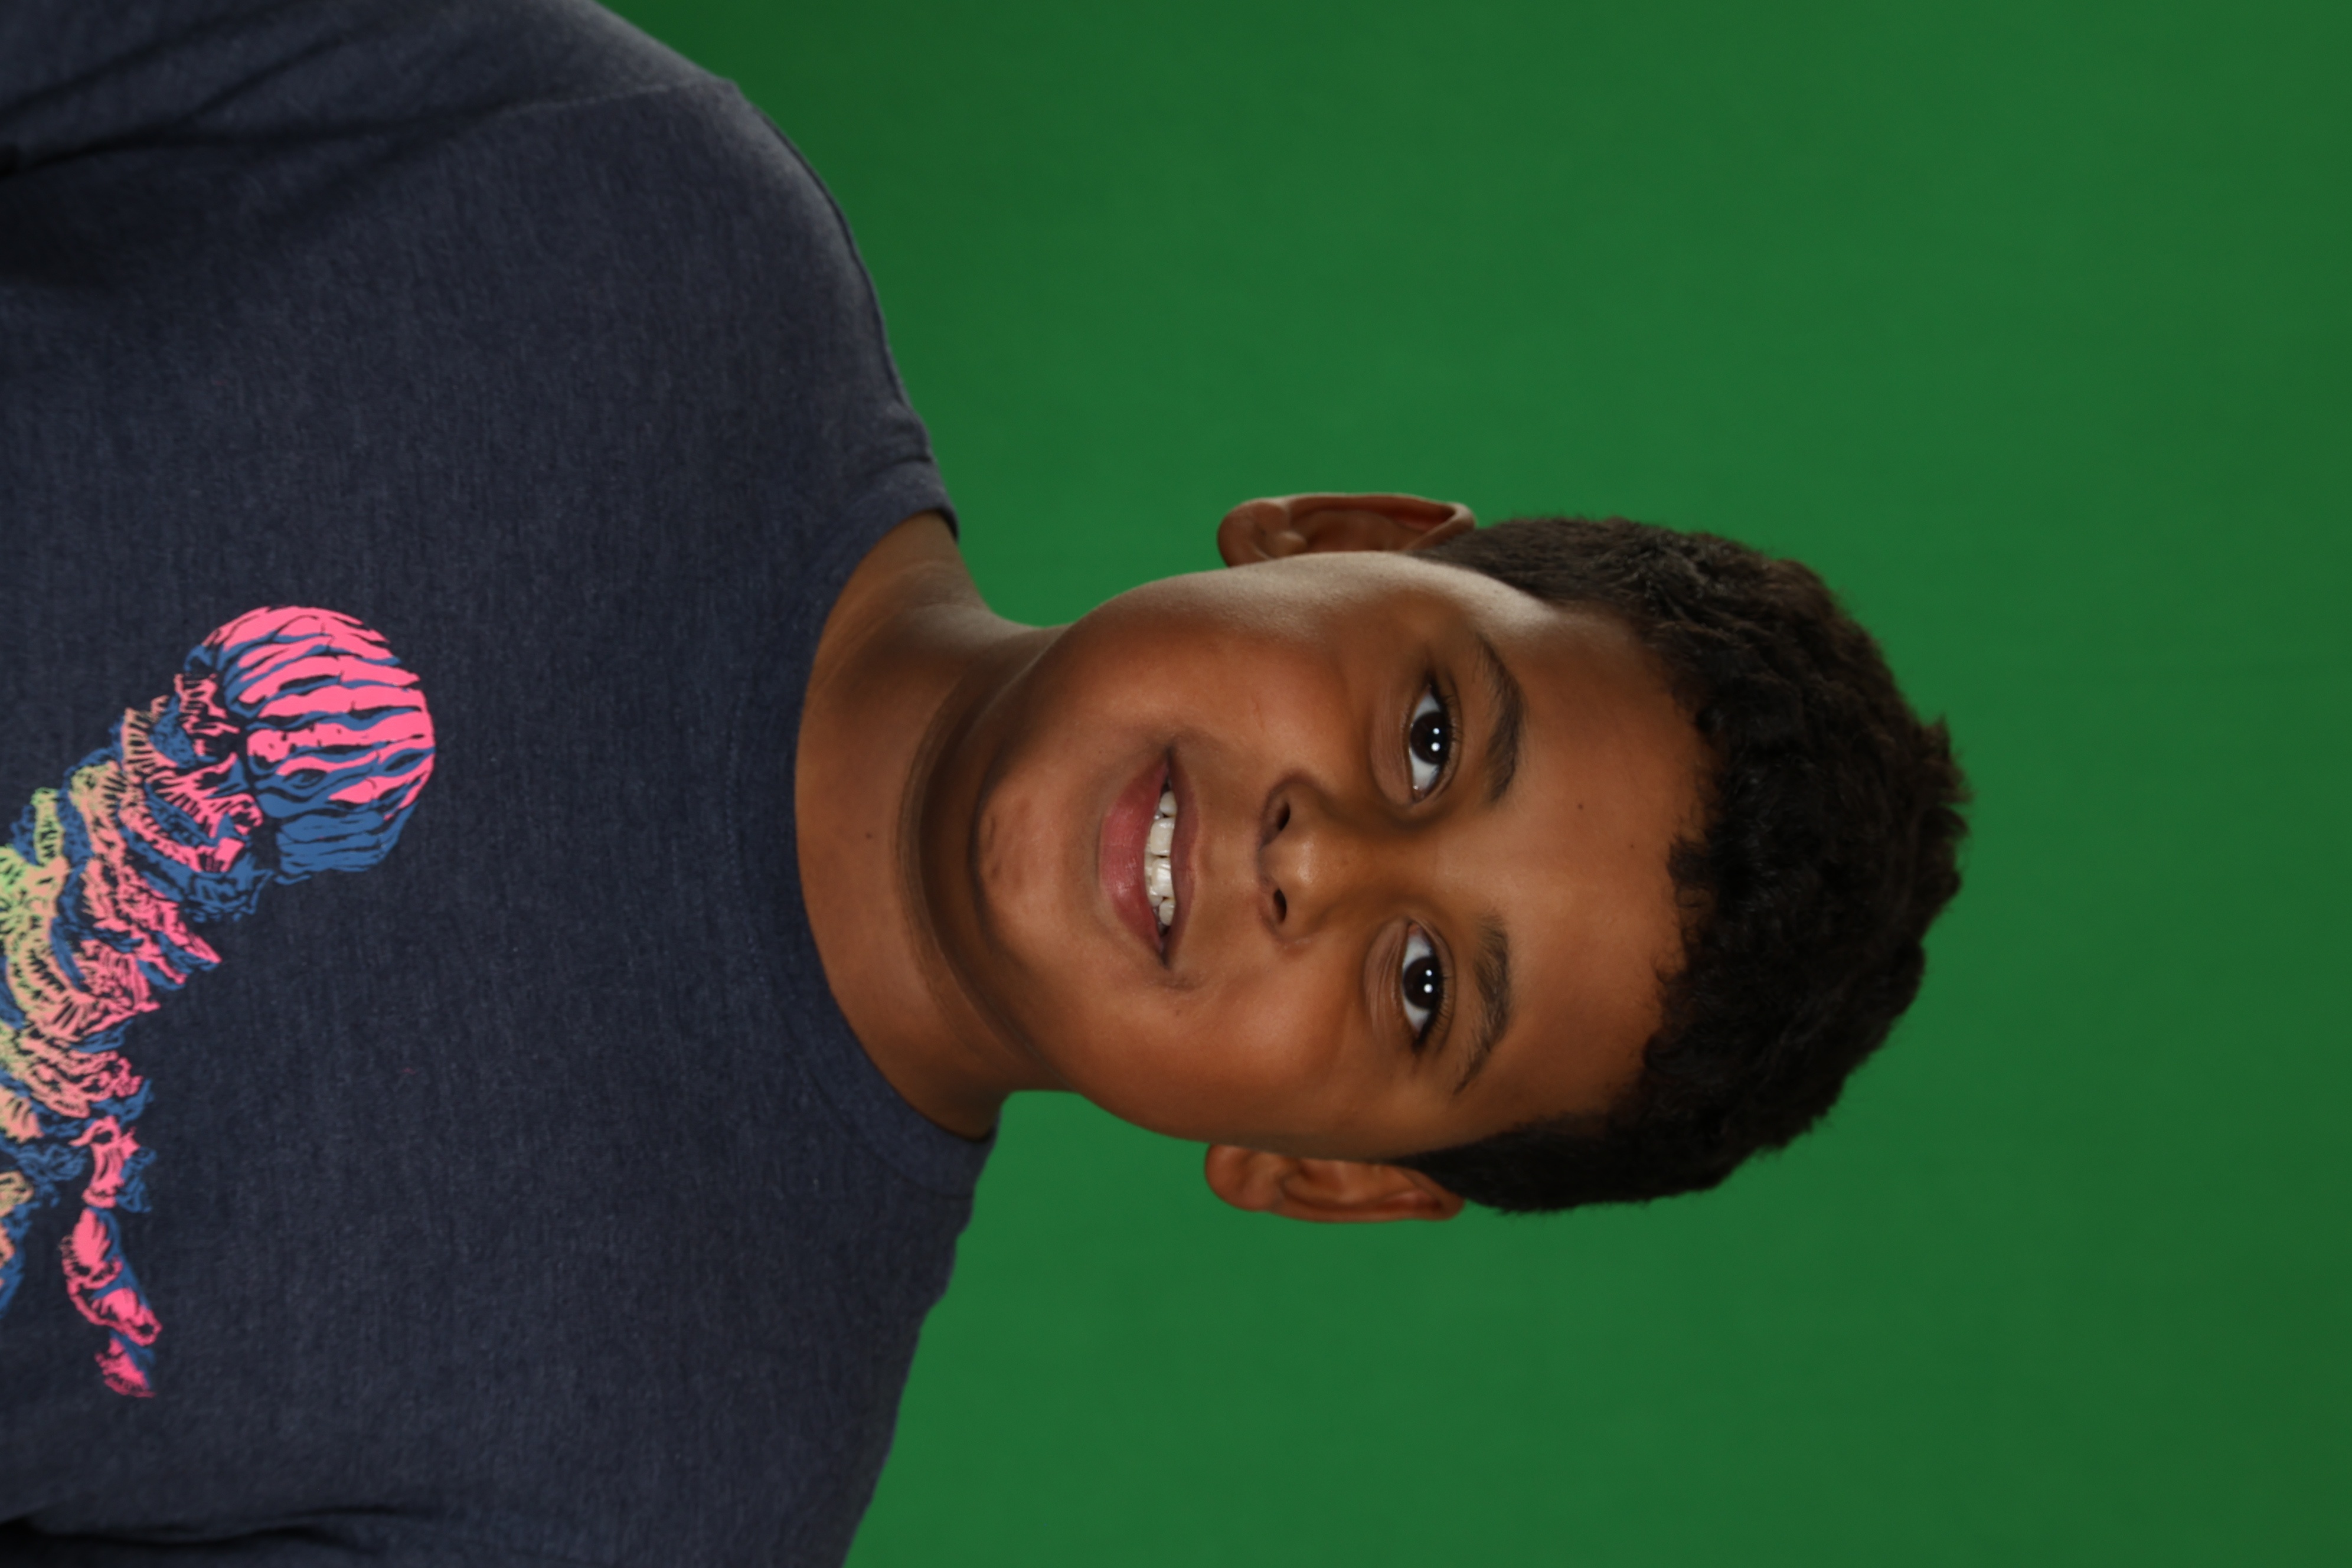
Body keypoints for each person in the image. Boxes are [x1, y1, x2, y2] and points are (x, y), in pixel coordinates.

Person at [0, 0, 1966, 1561]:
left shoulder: (655, 1496)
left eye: (1426, 987)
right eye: (1434, 736)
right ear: (1337, 534)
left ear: (1330, 1172)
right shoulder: (618, 203)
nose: (1323, 863)